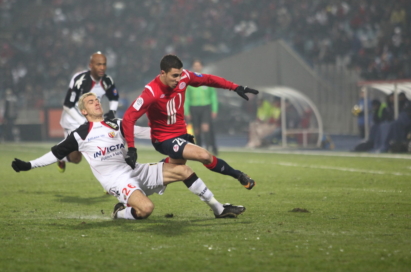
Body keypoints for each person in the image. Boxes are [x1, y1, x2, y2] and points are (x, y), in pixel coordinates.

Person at [11, 92, 245, 220]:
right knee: (146, 210)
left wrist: (178, 135)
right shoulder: (80, 134)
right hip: (116, 180)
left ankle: (218, 209)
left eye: (97, 100)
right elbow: (55, 153)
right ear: (84, 111)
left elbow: (144, 131)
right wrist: (28, 165)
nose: (96, 102)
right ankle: (120, 212)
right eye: (91, 102)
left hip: (134, 169)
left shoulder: (116, 123)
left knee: (183, 169)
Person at [122, 54, 258, 190]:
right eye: (174, 76)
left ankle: (134, 189)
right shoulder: (151, 92)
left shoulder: (184, 77)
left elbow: (208, 79)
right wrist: (132, 148)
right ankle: (238, 176)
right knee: (204, 155)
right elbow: (129, 118)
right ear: (162, 73)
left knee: (173, 169)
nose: (178, 79)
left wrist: (234, 87)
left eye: (180, 75)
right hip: (163, 139)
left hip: (181, 134)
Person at [57, 52, 119, 173]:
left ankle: (111, 183)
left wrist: (112, 111)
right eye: (98, 64)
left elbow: (114, 98)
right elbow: (67, 105)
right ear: (91, 65)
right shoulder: (79, 80)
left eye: (104, 64)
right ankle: (61, 156)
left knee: (103, 149)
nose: (102, 67)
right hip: (73, 121)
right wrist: (82, 122)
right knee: (76, 158)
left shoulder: (107, 80)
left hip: (91, 121)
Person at [184, 59, 219, 155]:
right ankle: (198, 148)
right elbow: (187, 97)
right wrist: (186, 111)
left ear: (202, 67)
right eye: (195, 66)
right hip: (194, 107)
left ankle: (208, 148)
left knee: (206, 127)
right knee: (196, 130)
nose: (197, 67)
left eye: (198, 65)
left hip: (206, 107)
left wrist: (214, 109)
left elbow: (213, 95)